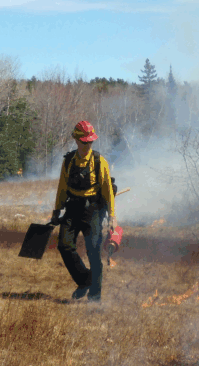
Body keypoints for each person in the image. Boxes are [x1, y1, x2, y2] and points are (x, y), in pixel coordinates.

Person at [50, 120, 117, 302]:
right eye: (84, 142)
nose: (87, 145)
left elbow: (107, 191)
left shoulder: (99, 162)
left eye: (90, 142)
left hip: (93, 210)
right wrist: (57, 210)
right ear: (76, 140)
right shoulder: (69, 161)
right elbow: (62, 186)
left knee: (93, 251)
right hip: (72, 208)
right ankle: (85, 280)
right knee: (64, 245)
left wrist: (112, 216)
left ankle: (95, 297)